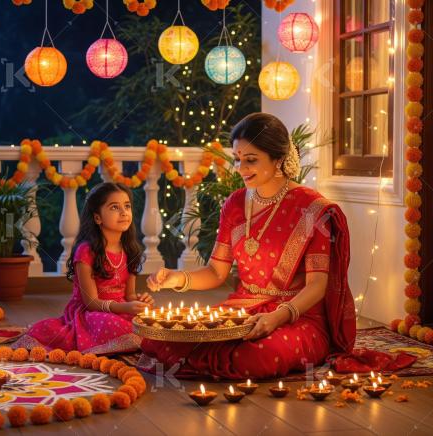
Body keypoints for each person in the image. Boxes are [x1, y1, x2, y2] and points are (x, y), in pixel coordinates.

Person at [140, 112, 357, 379]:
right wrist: (177, 278)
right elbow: (216, 273)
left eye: (251, 160)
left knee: (256, 355)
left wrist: (276, 318)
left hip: (296, 316)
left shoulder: (311, 209)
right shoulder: (234, 204)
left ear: (278, 159)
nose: (241, 169)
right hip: (243, 309)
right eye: (238, 160)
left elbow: (317, 286)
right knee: (160, 338)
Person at [13, 182, 153, 354]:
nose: (124, 212)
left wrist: (139, 301)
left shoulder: (130, 249)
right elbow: (91, 302)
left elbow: (129, 295)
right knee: (112, 324)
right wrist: (125, 308)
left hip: (121, 309)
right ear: (97, 217)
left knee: (153, 323)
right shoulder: (86, 251)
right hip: (91, 313)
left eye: (127, 206)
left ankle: (125, 340)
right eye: (114, 207)